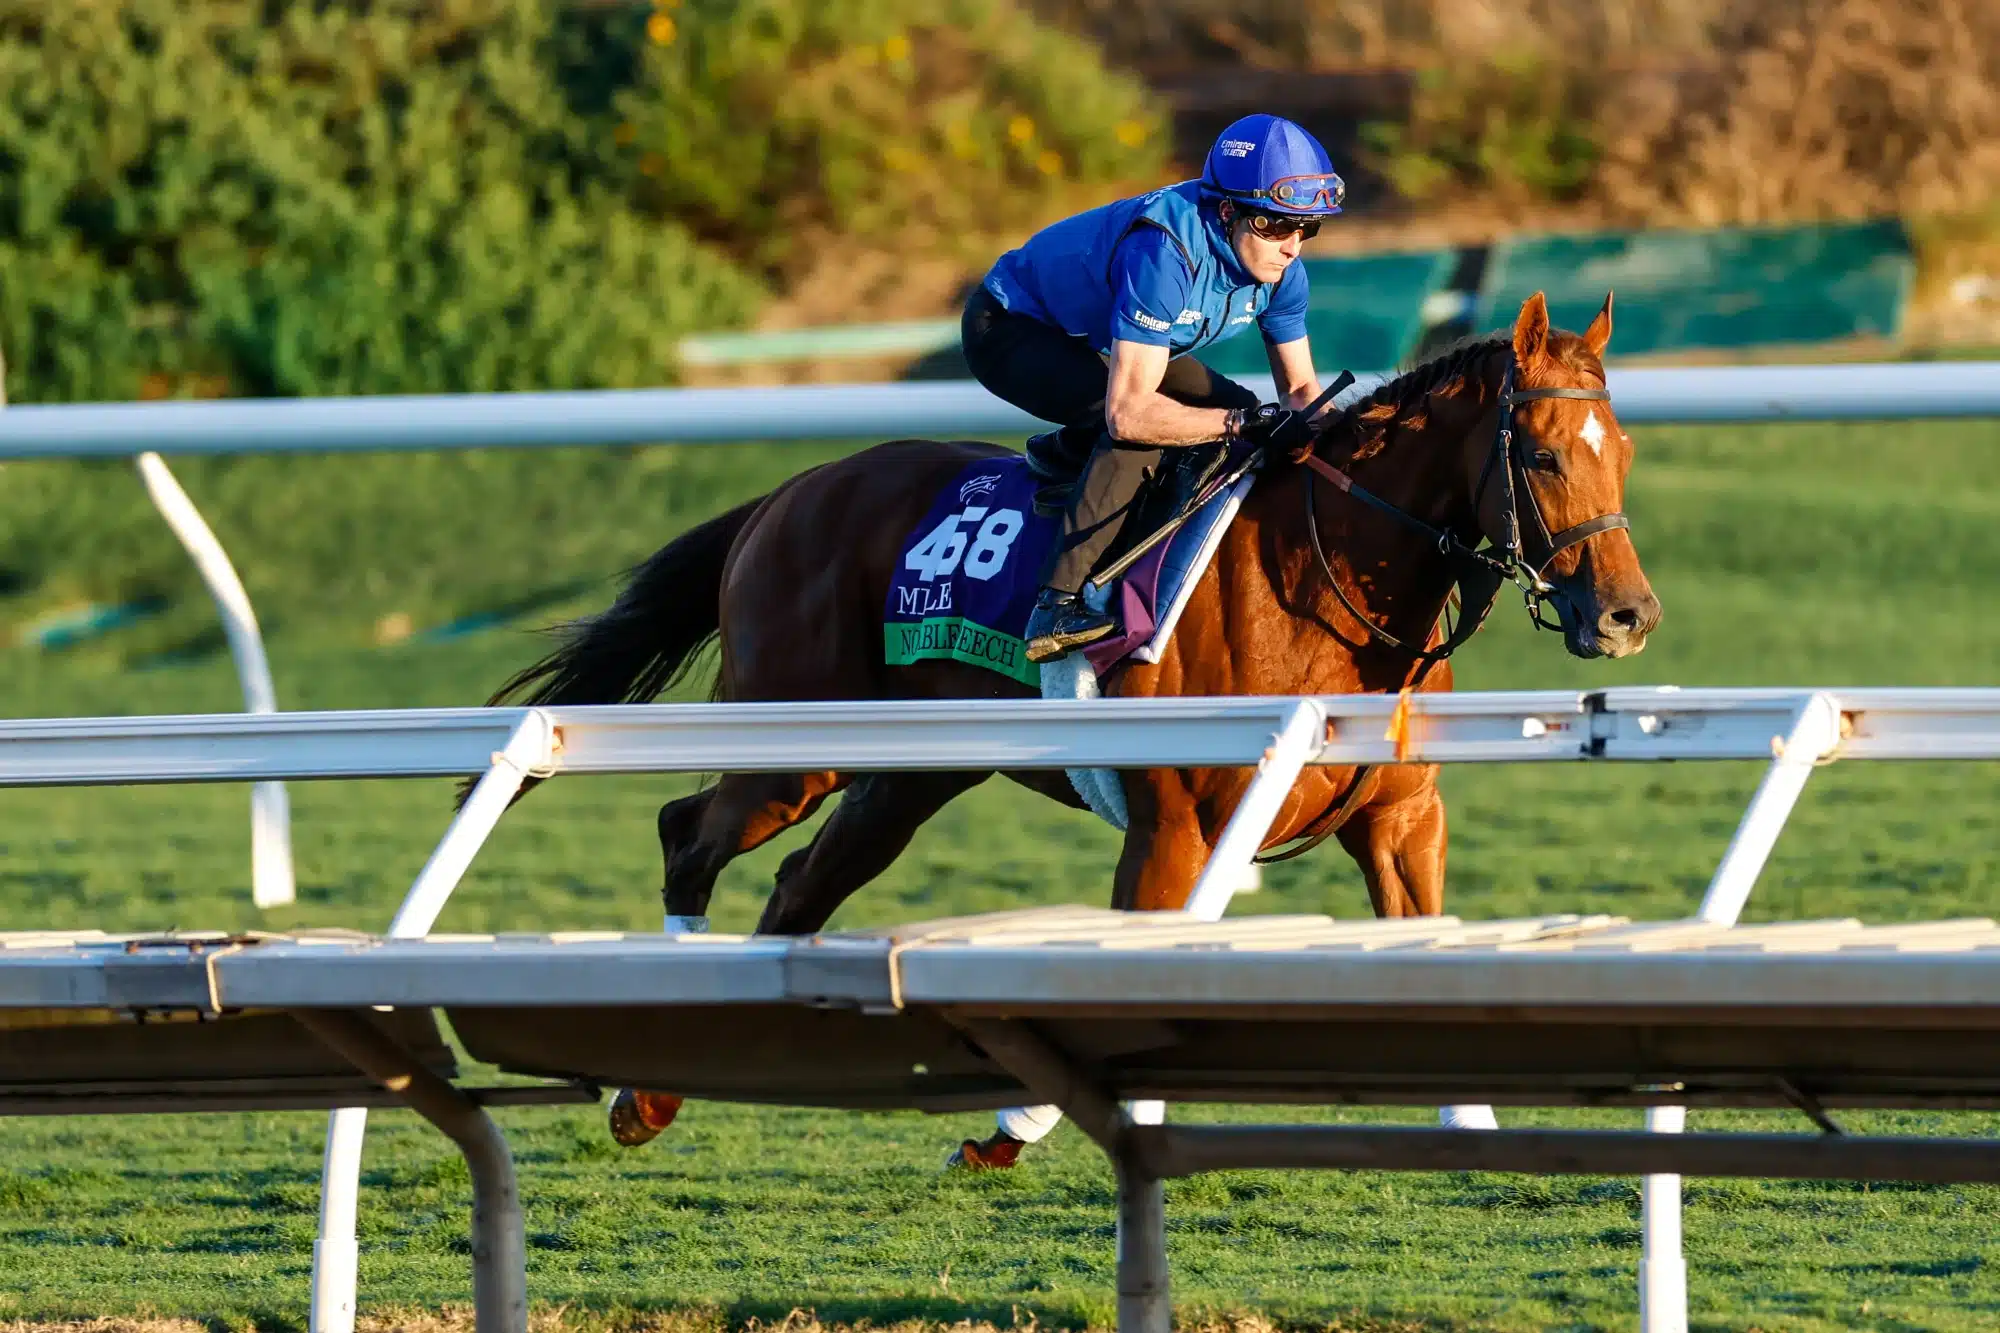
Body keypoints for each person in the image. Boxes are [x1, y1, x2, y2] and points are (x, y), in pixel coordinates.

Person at [962, 112, 1346, 664]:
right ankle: (1058, 603)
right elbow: (1130, 415)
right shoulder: (1163, 253)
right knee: (1150, 431)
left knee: (1233, 406)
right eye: (1276, 226)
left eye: (1305, 228)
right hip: (1010, 329)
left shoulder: (1285, 272)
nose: (1291, 246)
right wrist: (1239, 425)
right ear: (1226, 211)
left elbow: (1302, 391)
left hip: (1096, 337)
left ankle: (1067, 452)